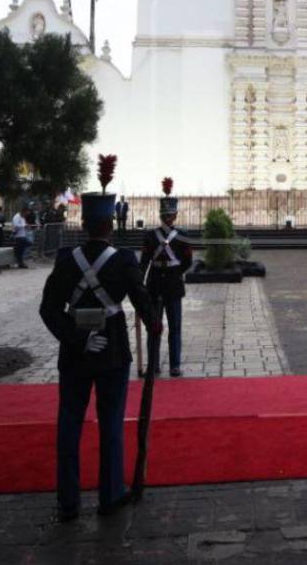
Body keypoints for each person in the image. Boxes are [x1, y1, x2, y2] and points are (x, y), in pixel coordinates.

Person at [39, 189, 158, 520]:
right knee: (111, 425)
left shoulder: (66, 259)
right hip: (113, 352)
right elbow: (140, 298)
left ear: (86, 224)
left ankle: (68, 501)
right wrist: (154, 324)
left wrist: (77, 339)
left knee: (69, 426)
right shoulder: (123, 261)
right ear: (110, 224)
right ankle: (110, 494)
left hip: (75, 355)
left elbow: (48, 310)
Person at [140, 190, 192, 377]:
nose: (168, 217)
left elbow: (187, 262)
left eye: (169, 215)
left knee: (174, 326)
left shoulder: (182, 235)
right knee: (154, 326)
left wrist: (176, 273)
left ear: (175, 215)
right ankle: (153, 364)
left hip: (171, 284)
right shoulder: (150, 236)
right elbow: (144, 261)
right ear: (162, 216)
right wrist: (139, 284)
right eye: (165, 215)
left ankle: (174, 364)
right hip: (155, 284)